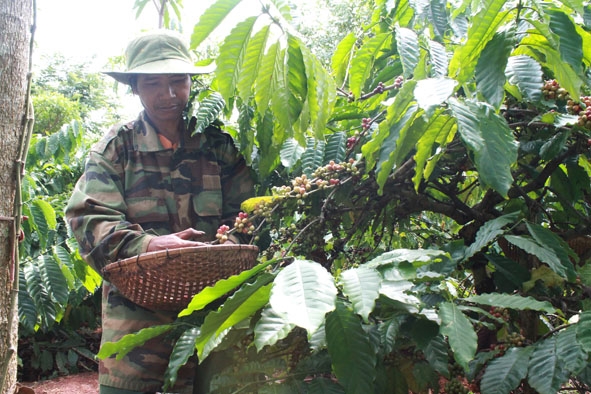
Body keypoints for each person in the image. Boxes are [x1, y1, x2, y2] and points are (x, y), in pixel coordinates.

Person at [65, 30, 256, 394]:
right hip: (137, 334)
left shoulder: (218, 147)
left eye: (177, 81)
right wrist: (149, 246)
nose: (168, 94)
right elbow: (89, 219)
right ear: (135, 87)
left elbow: (249, 214)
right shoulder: (116, 149)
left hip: (215, 323)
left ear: (189, 83)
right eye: (153, 83)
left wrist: (224, 246)